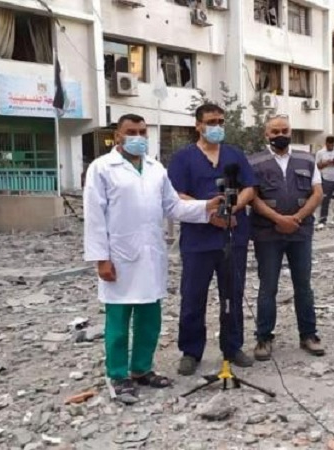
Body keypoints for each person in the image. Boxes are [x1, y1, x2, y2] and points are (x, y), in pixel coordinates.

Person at [83, 114, 221, 402]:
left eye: (142, 132)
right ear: (117, 135)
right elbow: (94, 216)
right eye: (131, 132)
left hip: (150, 256)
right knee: (118, 322)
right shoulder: (102, 168)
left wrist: (206, 206)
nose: (138, 137)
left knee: (149, 319)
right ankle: (117, 375)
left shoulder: (156, 168)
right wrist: (100, 258)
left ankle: (141, 369)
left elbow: (173, 206)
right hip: (119, 256)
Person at [168, 104, 257, 376]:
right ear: (198, 125)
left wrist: (233, 209)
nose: (216, 126)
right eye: (211, 122)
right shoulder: (183, 158)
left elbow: (249, 188)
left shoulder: (234, 155)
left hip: (232, 237)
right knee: (193, 296)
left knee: (233, 294)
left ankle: (232, 346)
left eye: (220, 121)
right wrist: (209, 213)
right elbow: (176, 195)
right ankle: (191, 351)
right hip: (198, 240)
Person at [249, 114, 325, 361]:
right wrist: (278, 219)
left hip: (300, 232)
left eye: (284, 130)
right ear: (266, 134)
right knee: (267, 286)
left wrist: (297, 219)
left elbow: (317, 193)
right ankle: (263, 337)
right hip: (267, 233)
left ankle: (309, 335)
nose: (280, 135)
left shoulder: (307, 159)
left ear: (291, 132)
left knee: (303, 285)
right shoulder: (254, 162)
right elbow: (252, 197)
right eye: (275, 131)